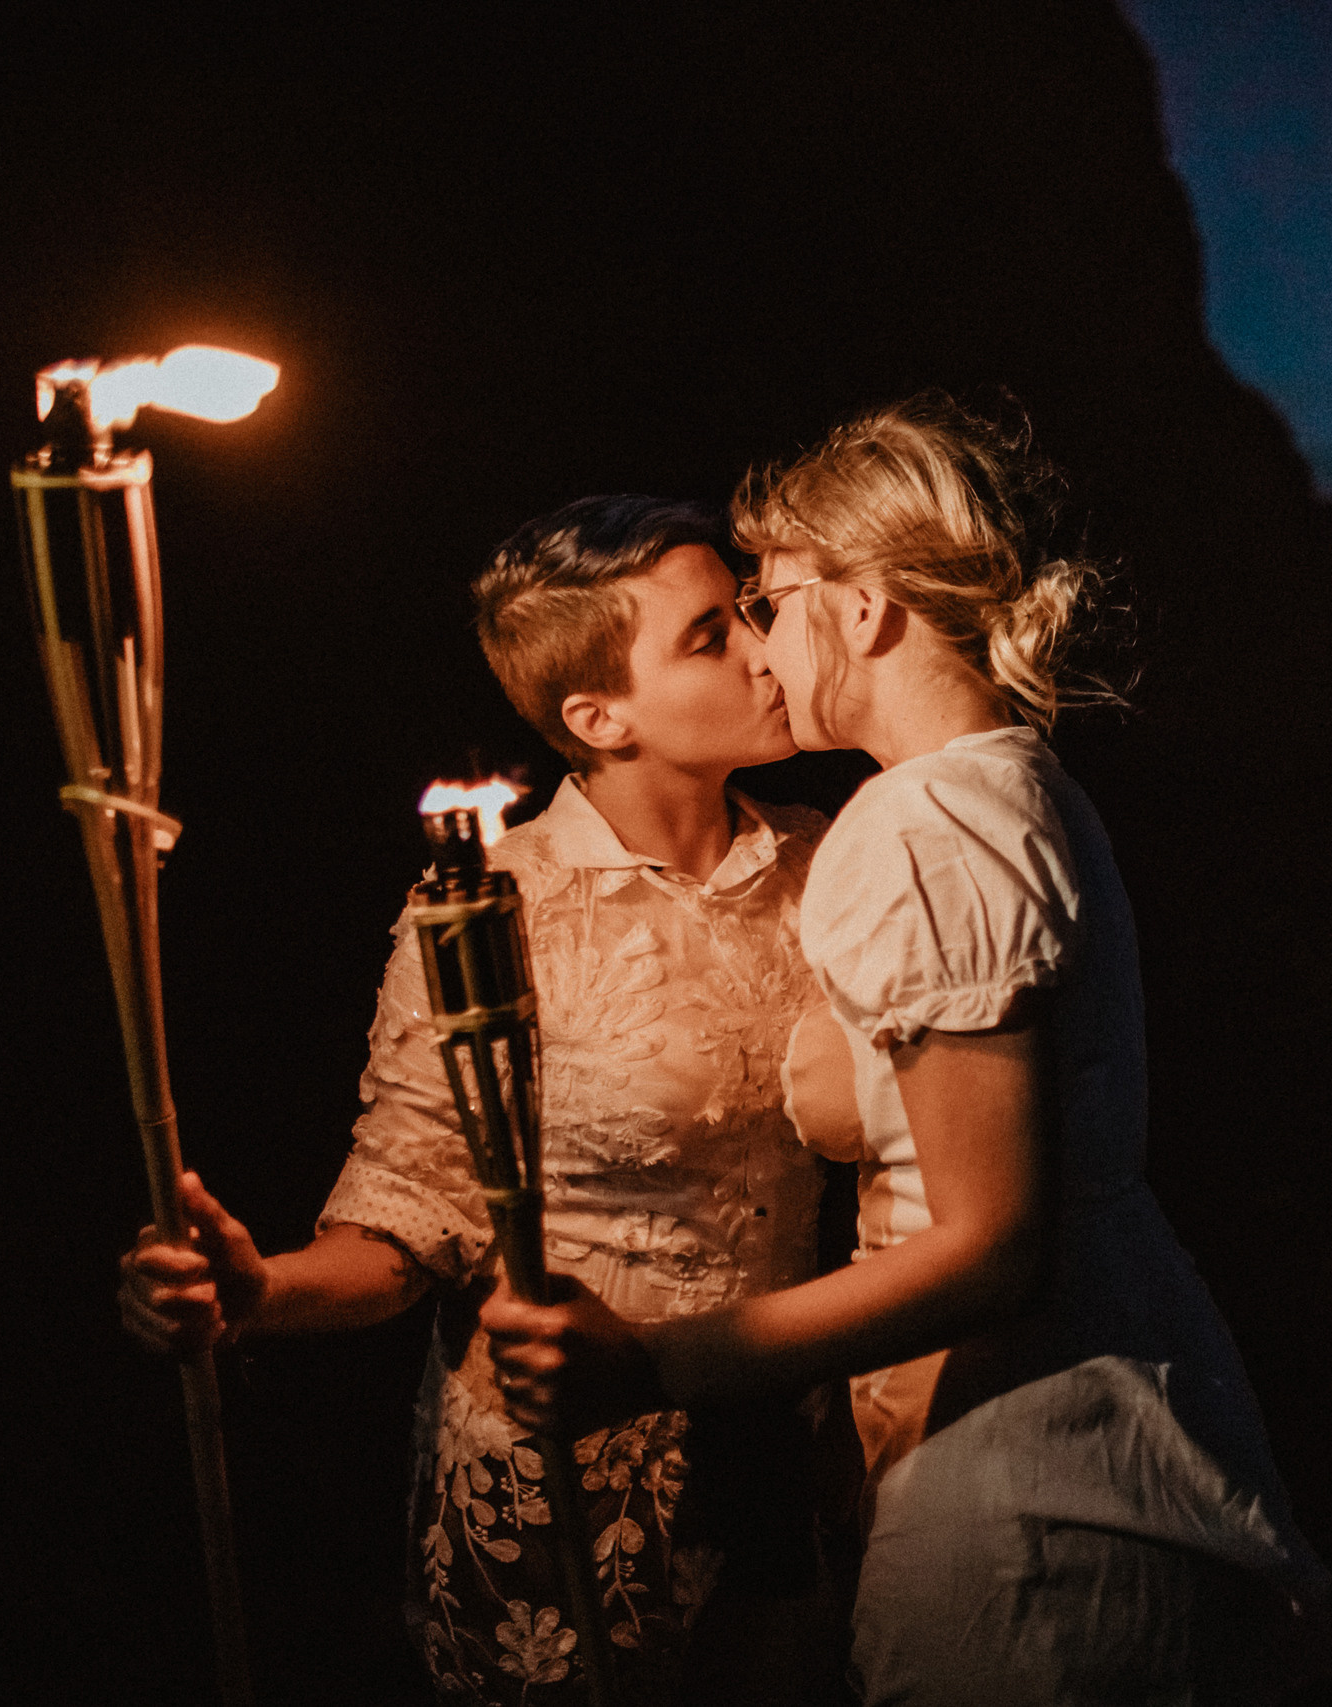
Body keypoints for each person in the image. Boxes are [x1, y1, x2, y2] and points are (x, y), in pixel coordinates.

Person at [483, 397, 1332, 1704]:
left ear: (869, 606)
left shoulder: (925, 822)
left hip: (1034, 1483)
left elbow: (991, 1242)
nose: (763, 649)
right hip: (1083, 1409)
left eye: (770, 600)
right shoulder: (1007, 784)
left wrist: (654, 1365)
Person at [118, 495, 855, 1704]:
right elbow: (410, 1212)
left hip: (784, 1451)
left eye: (749, 612)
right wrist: (259, 1295)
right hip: (561, 1478)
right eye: (711, 633)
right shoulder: (489, 908)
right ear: (596, 715)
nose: (768, 647)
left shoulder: (828, 860)